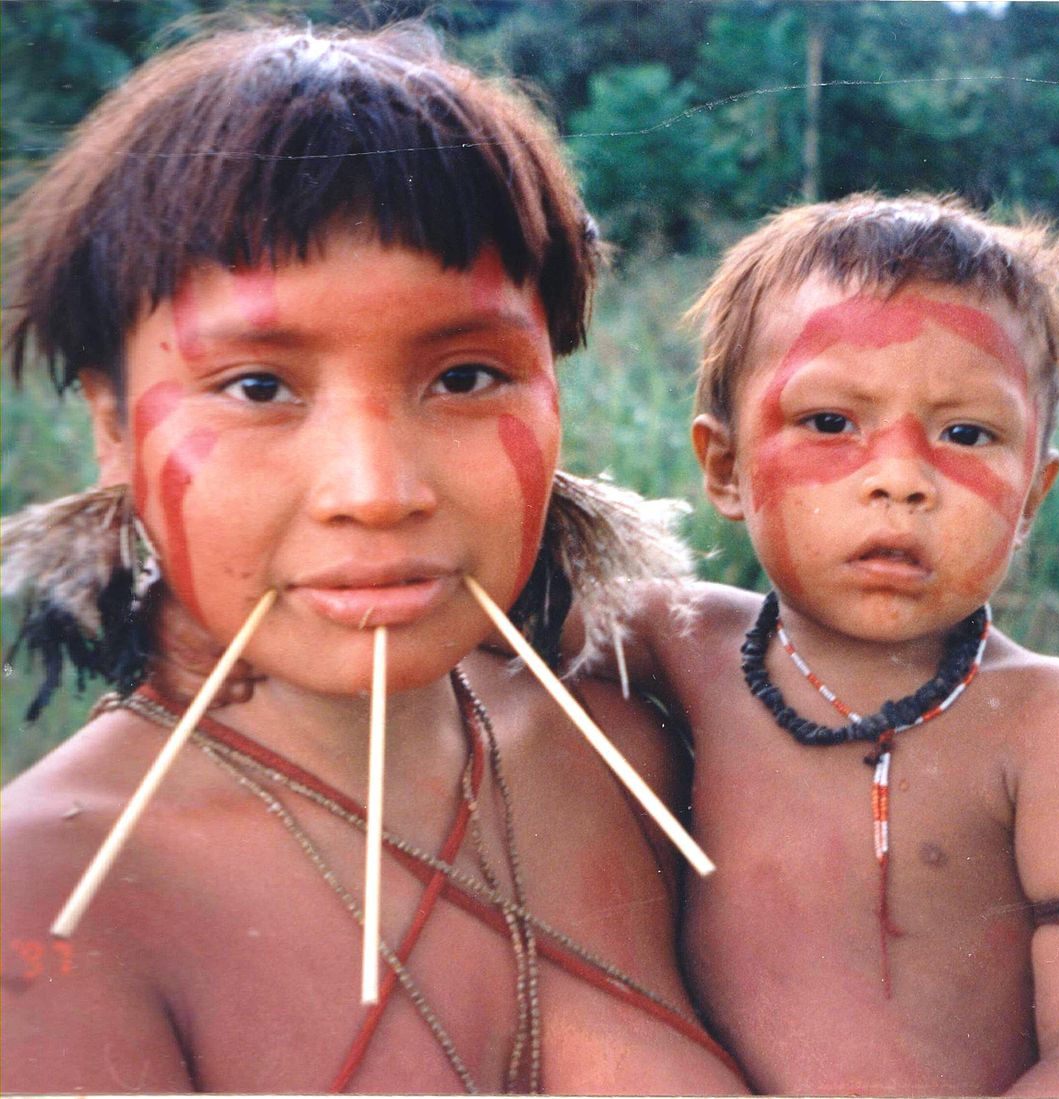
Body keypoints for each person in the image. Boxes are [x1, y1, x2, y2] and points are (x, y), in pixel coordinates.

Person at [0, 23, 748, 1095]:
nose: (377, 488)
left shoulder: (628, 748)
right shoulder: (50, 900)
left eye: (465, 377)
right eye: (259, 386)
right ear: (112, 424)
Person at [579, 194, 1059, 1095]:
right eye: (829, 423)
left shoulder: (1047, 721)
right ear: (724, 469)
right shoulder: (685, 642)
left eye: (966, 433)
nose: (900, 479)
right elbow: (488, 593)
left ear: (1032, 496)